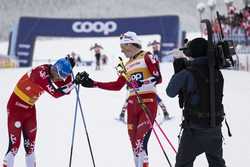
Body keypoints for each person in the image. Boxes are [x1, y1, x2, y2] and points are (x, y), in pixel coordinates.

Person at [75, 31, 162, 167]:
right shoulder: (125, 65)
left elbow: (158, 78)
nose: (121, 50)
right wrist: (93, 83)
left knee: (140, 142)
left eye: (123, 46)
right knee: (134, 145)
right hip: (132, 107)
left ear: (129, 43)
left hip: (147, 103)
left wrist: (141, 83)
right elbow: (117, 86)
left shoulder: (146, 56)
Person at [3, 55, 76, 167]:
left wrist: (71, 75)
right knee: (14, 147)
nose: (59, 80)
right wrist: (74, 83)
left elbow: (66, 89)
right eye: (60, 76)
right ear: (55, 69)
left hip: (29, 110)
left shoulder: (53, 73)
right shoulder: (40, 74)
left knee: (30, 148)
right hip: (15, 109)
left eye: (62, 77)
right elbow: (56, 94)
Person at [166, 38, 226, 167]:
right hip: (215, 128)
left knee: (183, 164)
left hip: (194, 130)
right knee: (217, 163)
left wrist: (178, 70)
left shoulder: (187, 73)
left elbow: (170, 92)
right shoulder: (216, 72)